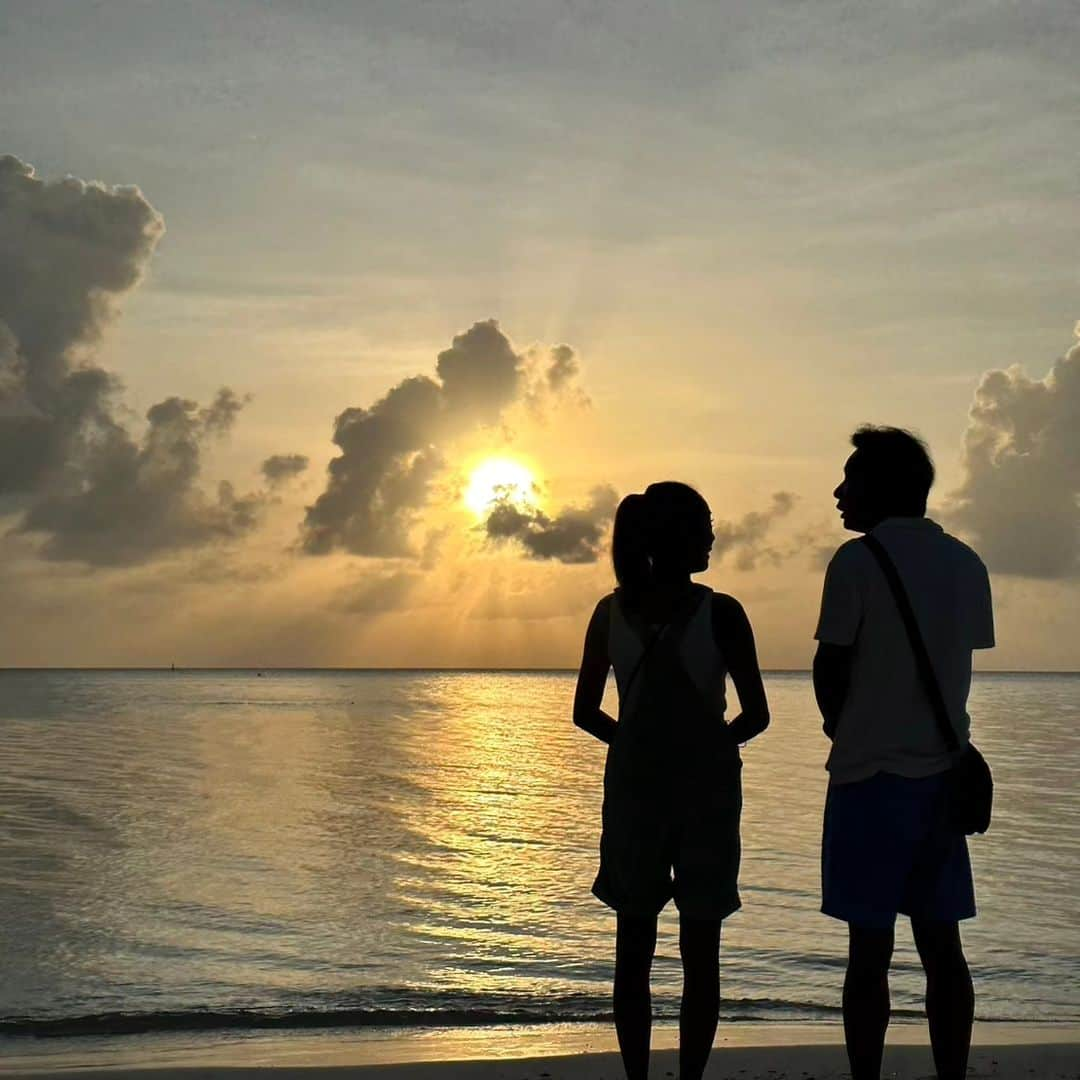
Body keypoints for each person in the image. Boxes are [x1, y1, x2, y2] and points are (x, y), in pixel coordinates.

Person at [813, 426, 995, 1080]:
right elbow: (956, 665)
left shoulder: (855, 563)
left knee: (869, 952)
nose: (839, 491)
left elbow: (830, 665)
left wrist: (849, 729)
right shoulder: (966, 563)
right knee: (943, 947)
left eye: (850, 478)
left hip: (868, 778)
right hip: (942, 778)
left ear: (882, 488)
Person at [573, 481, 770, 1080]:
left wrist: (635, 746)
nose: (713, 535)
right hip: (707, 793)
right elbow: (756, 714)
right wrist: (710, 747)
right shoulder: (722, 612)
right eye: (705, 524)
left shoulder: (611, 613)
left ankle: (638, 1076)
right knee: (700, 947)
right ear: (678, 537)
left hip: (634, 790)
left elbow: (586, 712)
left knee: (633, 946)